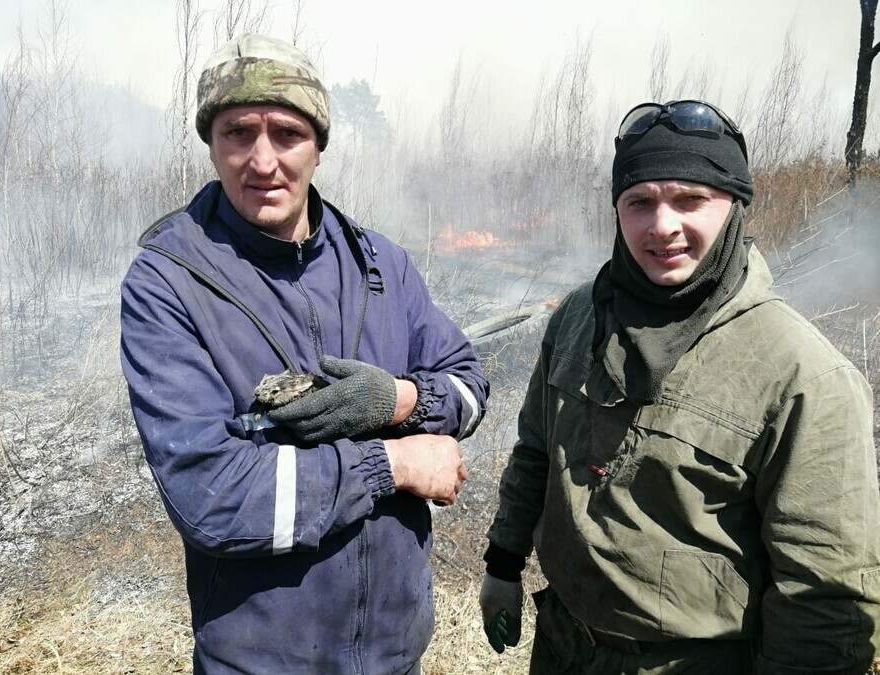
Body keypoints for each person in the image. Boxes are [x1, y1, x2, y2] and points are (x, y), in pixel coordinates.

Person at [120, 33, 488, 674]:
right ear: (211, 143)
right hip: (263, 661)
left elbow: (468, 383)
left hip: (395, 653)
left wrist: (400, 398)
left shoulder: (382, 265)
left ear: (319, 146)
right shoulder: (169, 281)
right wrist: (390, 465)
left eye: (287, 134)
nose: (262, 160)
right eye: (238, 132)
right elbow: (210, 496)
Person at [479, 99, 880, 673]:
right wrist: (502, 563)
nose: (662, 226)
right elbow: (536, 454)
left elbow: (825, 595)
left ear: (735, 207)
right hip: (563, 646)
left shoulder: (804, 375)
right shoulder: (577, 318)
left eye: (691, 200)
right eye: (639, 202)